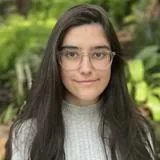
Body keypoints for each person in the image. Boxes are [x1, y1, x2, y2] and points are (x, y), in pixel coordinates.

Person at [5, 4, 158, 160]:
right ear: (56, 60)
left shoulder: (138, 132)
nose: (86, 68)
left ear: (113, 60)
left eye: (98, 54)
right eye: (72, 54)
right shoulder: (29, 135)